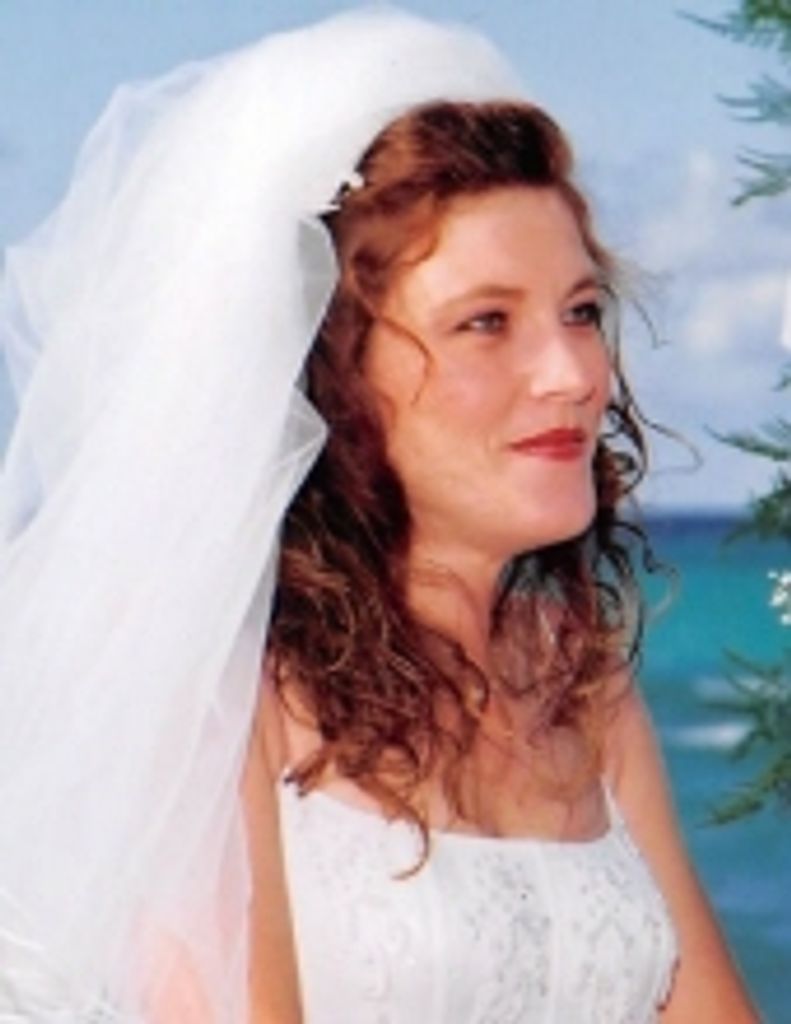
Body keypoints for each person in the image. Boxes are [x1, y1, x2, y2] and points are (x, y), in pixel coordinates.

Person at [0, 8, 758, 1023]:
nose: (572, 373)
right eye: (485, 322)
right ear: (331, 368)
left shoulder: (584, 689)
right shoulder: (223, 701)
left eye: (580, 312)